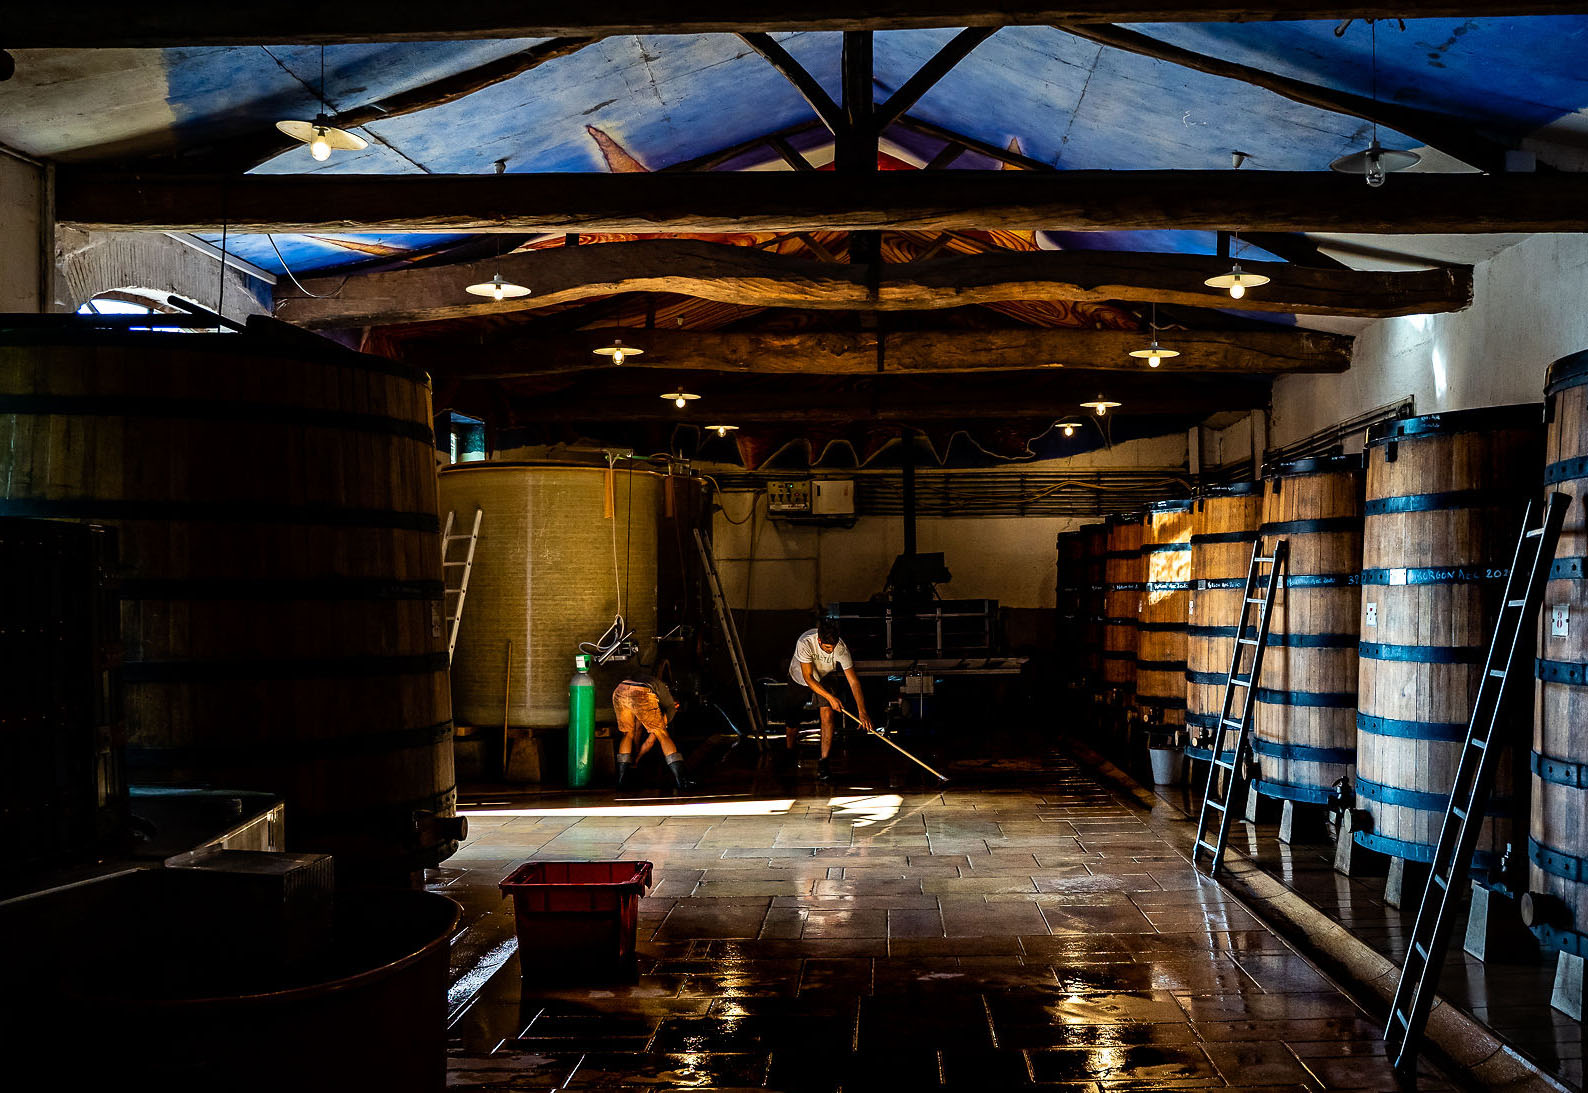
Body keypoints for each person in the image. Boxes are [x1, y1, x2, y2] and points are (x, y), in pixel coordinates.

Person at [787, 619, 873, 780]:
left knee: (827, 714)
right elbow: (808, 677)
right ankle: (790, 751)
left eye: (833, 647)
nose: (831, 650)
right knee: (792, 717)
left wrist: (862, 711)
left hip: (826, 675)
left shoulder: (840, 648)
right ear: (819, 641)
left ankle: (824, 761)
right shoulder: (805, 642)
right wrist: (830, 697)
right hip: (800, 678)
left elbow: (853, 682)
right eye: (827, 648)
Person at [612, 674, 694, 791]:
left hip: (621, 689)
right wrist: (637, 758)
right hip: (641, 692)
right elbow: (650, 741)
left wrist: (636, 760)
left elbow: (638, 730)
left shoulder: (658, 688)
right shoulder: (671, 707)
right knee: (663, 735)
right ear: (677, 704)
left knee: (627, 733)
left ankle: (621, 781)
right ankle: (682, 780)